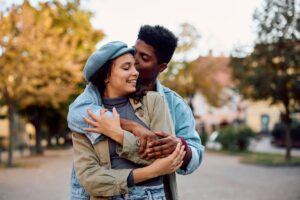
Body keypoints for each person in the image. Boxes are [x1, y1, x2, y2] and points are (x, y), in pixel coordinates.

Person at [68, 25, 204, 199]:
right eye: (135, 52)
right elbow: (75, 115)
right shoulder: (95, 93)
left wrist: (180, 147)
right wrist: (128, 126)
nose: (135, 61)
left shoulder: (170, 102)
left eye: (144, 58)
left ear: (161, 67)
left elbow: (194, 154)